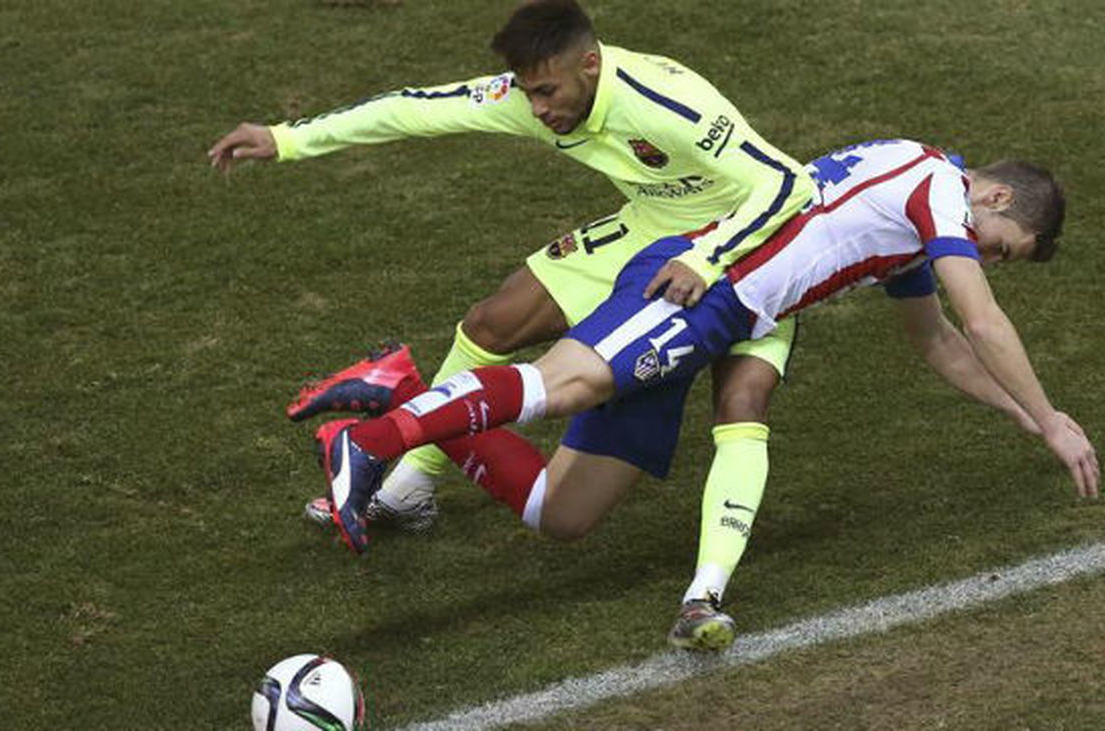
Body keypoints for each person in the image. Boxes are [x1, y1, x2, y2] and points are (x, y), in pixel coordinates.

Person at [309, 138, 1101, 650]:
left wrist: (1035, 419)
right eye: (1001, 249)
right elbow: (982, 319)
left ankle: (403, 389)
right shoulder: (932, 184)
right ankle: (374, 443)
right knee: (565, 380)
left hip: (721, 319)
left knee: (565, 511)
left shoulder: (910, 220)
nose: (985, 261)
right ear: (993, 199)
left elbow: (940, 342)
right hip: (701, 288)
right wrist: (1051, 418)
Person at [207, 0, 815, 648]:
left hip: (744, 245)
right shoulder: (541, 93)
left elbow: (788, 183)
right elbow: (418, 107)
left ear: (590, 64)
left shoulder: (668, 103)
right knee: (492, 323)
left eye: (547, 91)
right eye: (528, 93)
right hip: (650, 230)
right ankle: (414, 479)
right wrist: (289, 139)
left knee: (739, 398)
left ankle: (704, 588)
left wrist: (707, 255)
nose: (539, 110)